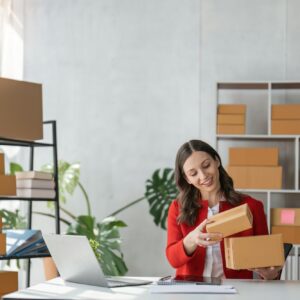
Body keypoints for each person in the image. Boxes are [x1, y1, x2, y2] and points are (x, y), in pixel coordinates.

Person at [166, 139, 282, 280]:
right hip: (192, 292)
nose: (203, 176)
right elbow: (173, 260)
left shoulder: (251, 206)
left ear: (217, 161)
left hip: (237, 292)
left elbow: (269, 262)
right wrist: (191, 240)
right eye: (193, 173)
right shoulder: (178, 208)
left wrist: (271, 275)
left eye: (206, 165)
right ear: (187, 178)